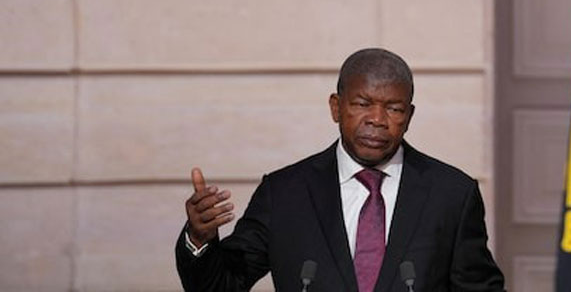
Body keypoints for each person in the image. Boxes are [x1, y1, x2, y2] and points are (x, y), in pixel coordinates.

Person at [175, 47, 505, 291]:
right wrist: (199, 238)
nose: (377, 119)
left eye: (394, 108)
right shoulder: (285, 193)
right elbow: (223, 285)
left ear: (409, 116)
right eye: (362, 104)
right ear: (336, 107)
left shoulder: (451, 194)